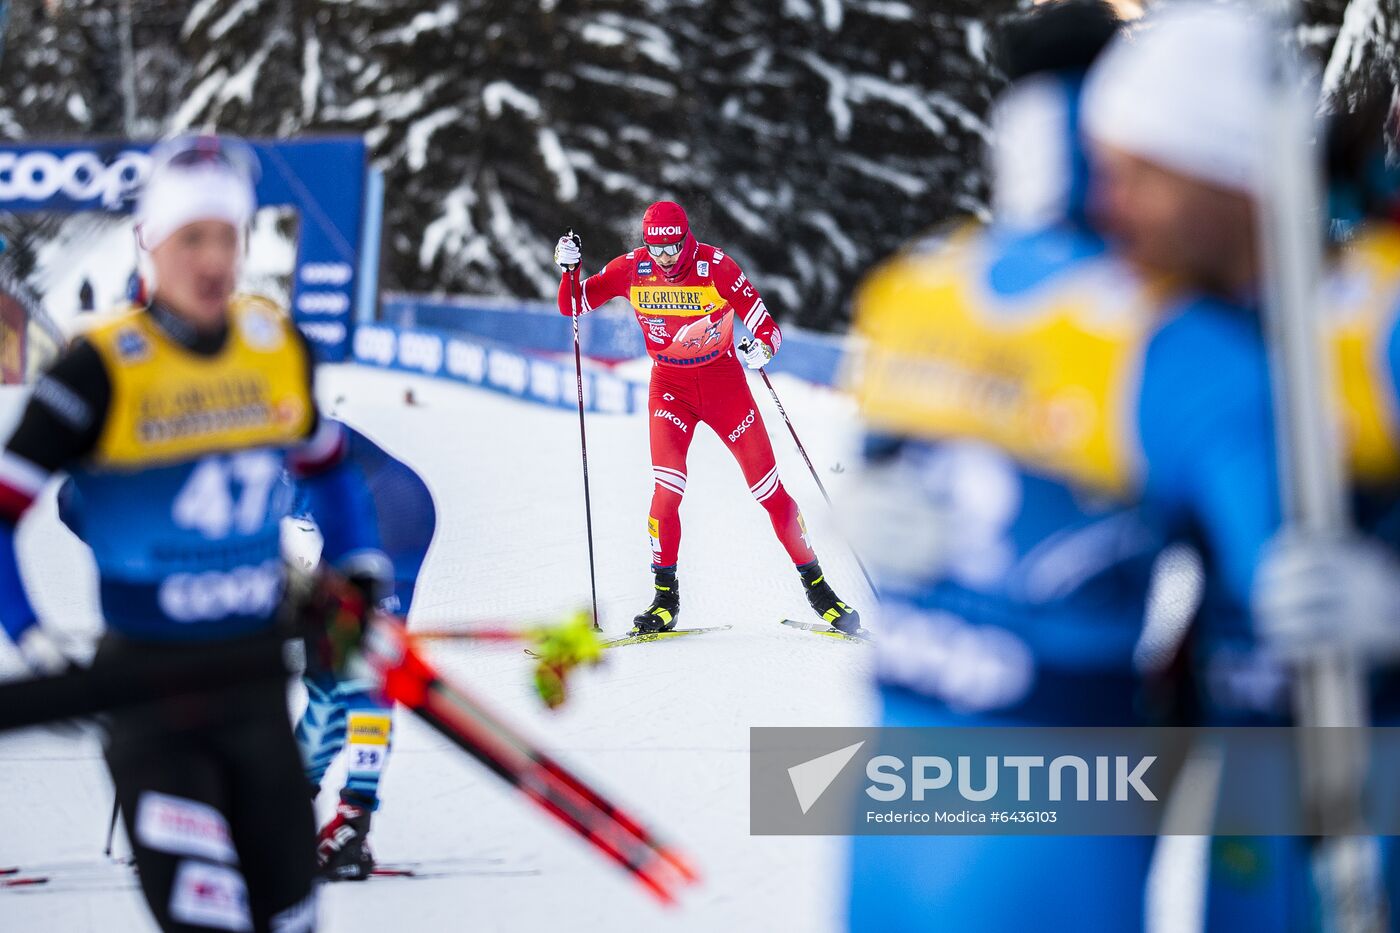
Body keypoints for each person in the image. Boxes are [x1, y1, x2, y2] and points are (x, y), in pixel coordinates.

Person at [846, 4, 1292, 929]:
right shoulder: (921, 293)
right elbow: (893, 455)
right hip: (903, 800)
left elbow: (1271, 624)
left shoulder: (1179, 349)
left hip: (1047, 815)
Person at [0, 136, 391, 933]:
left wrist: (356, 575)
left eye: (227, 237)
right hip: (149, 699)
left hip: (252, 685)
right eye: (191, 238)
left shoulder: (275, 349)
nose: (212, 259)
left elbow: (330, 468)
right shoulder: (99, 370)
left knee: (290, 920)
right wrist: (32, 637)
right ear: (153, 241)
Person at [552, 202, 860, 634]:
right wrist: (570, 270)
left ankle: (819, 589)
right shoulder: (631, 269)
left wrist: (762, 349)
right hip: (670, 391)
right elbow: (574, 305)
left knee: (769, 491)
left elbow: (765, 325)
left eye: (672, 248)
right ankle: (665, 599)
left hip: (724, 389)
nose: (664, 259)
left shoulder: (717, 267)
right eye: (655, 249)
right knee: (667, 490)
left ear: (685, 238)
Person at [291, 423, 437, 881]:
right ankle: (291, 813)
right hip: (368, 511)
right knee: (327, 672)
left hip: (388, 512)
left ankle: (350, 824)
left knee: (362, 671)